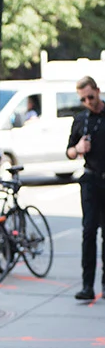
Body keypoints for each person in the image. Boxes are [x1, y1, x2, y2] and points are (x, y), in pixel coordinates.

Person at [66, 76, 105, 300]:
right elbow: (69, 151)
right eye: (83, 99)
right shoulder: (80, 119)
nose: (88, 102)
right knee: (89, 231)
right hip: (90, 179)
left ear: (98, 91)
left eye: (90, 96)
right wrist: (78, 148)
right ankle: (87, 285)